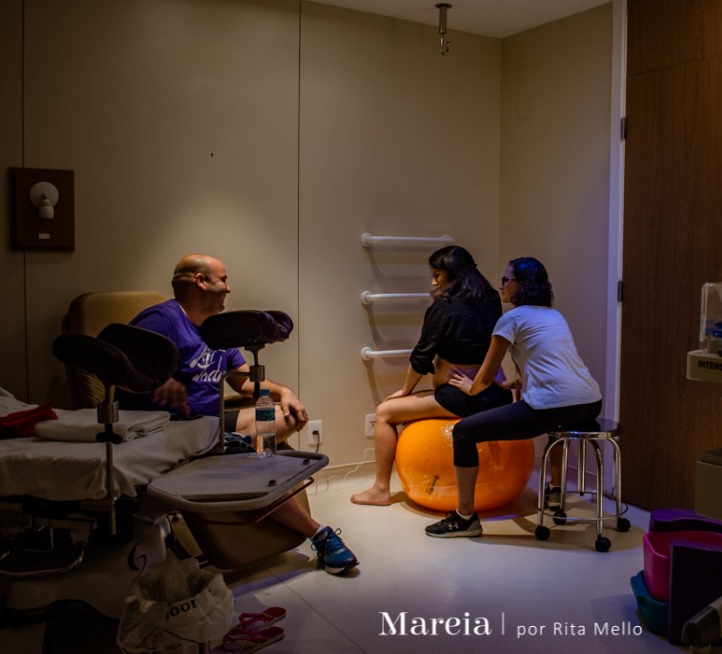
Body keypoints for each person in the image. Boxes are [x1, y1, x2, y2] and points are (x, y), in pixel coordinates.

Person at [124, 254, 358, 574]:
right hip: (173, 432)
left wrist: (284, 393)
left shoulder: (220, 331)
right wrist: (160, 382)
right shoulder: (161, 321)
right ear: (200, 281)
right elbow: (122, 368)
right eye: (223, 279)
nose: (228, 288)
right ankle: (318, 533)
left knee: (284, 416)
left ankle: (244, 454)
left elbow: (245, 382)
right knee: (245, 458)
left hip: (213, 425)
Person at [425, 256, 602, 538]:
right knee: (557, 422)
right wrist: (509, 384)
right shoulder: (554, 316)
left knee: (463, 432)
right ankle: (555, 492)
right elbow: (554, 367)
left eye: (506, 280)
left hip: (553, 407)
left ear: (523, 285)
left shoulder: (511, 318)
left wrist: (469, 387)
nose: (501, 286)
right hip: (590, 403)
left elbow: (484, 379)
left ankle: (465, 518)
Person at [351, 245, 513, 506]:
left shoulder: (444, 307)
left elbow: (421, 356)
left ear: (452, 274)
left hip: (461, 398)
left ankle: (380, 489)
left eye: (437, 275)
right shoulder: (491, 299)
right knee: (410, 405)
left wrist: (405, 390)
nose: (434, 282)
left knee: (385, 412)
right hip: (494, 392)